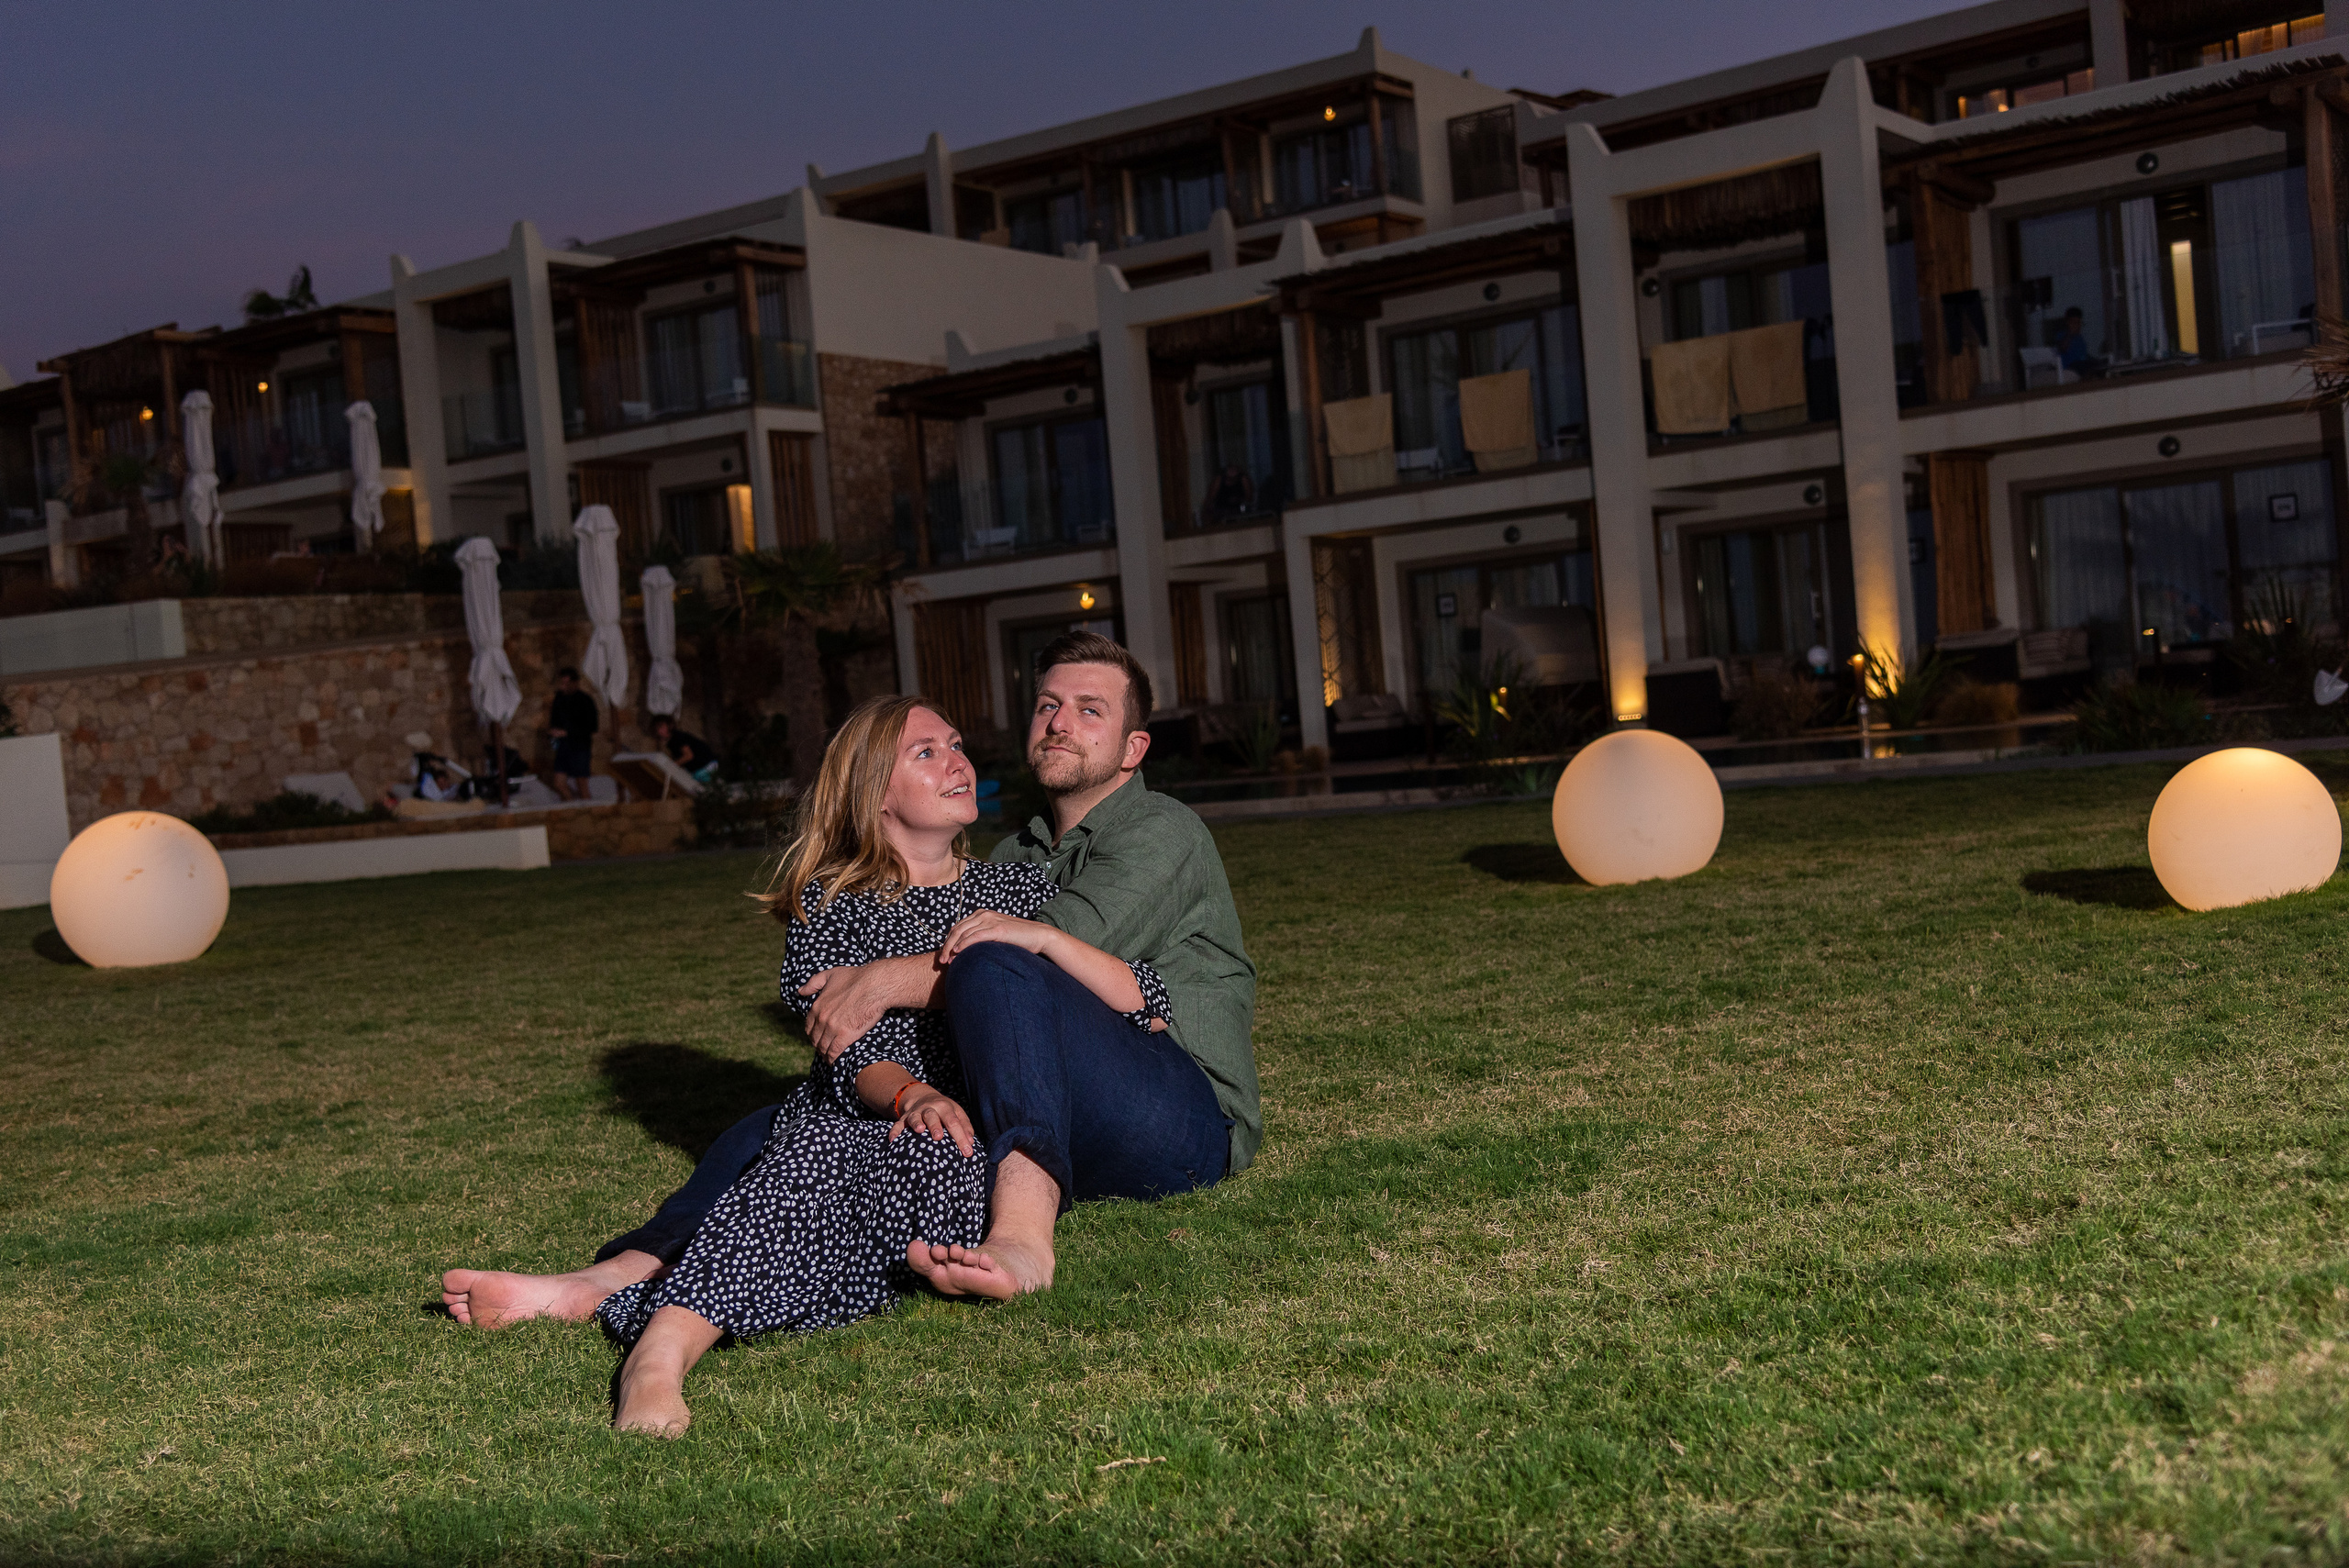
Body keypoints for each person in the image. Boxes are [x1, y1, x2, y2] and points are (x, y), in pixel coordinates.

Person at [440, 630, 1258, 1326]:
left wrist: (876, 983)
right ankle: (613, 1276)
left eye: (1091, 710)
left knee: (1005, 956)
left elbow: (1055, 953)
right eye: (1049, 704)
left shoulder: (1161, 830)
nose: (1061, 722)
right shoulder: (1017, 859)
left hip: (1177, 1108)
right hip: (1067, 1105)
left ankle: (1022, 1232)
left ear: (1132, 747)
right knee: (786, 1124)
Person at [597, 695, 1169, 1434]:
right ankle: (660, 1356)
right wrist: (911, 1094)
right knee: (816, 1158)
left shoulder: (1019, 891)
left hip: (974, 1130)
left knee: (923, 1182)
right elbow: (847, 1049)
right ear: (875, 791)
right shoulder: (829, 905)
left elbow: (1121, 990)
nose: (956, 759)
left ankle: (658, 1294)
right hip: (866, 1110)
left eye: (956, 743)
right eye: (925, 753)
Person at [548, 667, 598, 802]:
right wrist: (554, 731)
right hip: (564, 746)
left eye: (566, 683)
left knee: (581, 782)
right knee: (559, 782)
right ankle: (572, 804)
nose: (563, 686)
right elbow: (555, 720)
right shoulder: (559, 700)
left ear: (574, 683)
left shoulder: (585, 701)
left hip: (580, 746)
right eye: (562, 683)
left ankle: (587, 808)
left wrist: (568, 732)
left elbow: (591, 726)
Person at [651, 716, 719, 784]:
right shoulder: (672, 742)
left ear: (670, 725)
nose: (659, 731)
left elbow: (688, 756)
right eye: (657, 729)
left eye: (661, 727)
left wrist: (671, 766)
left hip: (706, 766)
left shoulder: (677, 737)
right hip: (703, 769)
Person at [2054, 307, 2102, 377]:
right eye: (2075, 323)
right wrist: (2070, 334)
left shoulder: (2080, 338)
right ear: (2068, 323)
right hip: (2070, 366)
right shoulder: (2062, 335)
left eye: (2079, 322)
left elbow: (2083, 355)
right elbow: (2062, 348)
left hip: (2082, 364)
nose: (2078, 325)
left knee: (2098, 364)